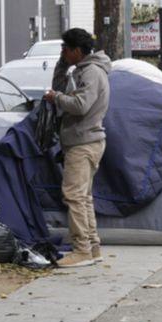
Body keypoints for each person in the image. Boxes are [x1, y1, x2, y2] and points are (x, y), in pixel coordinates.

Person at [43, 28, 112, 268]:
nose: (62, 52)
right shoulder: (83, 70)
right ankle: (92, 248)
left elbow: (81, 105)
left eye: (65, 48)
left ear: (76, 50)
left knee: (73, 196)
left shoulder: (91, 72)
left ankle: (81, 249)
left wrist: (57, 99)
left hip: (84, 143)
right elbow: (60, 85)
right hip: (82, 141)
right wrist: (61, 67)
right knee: (83, 198)